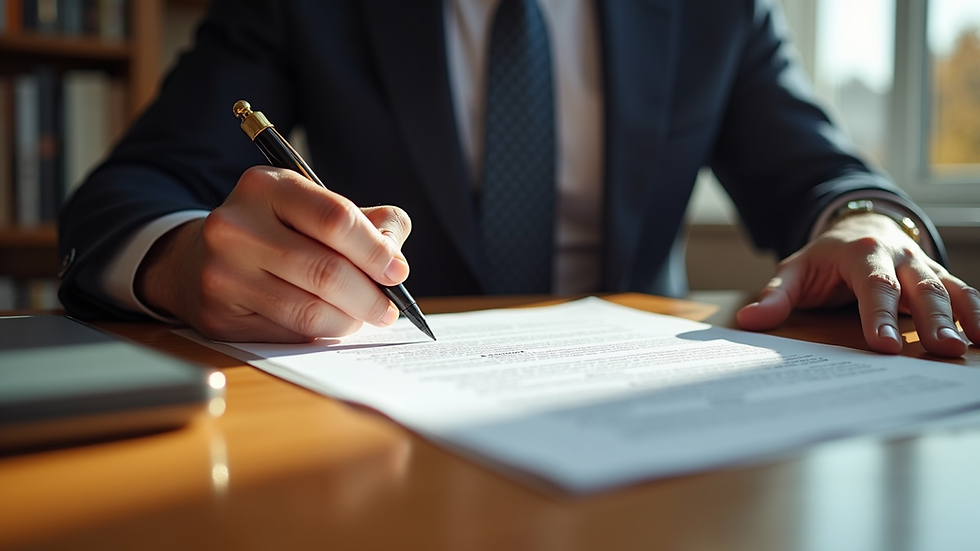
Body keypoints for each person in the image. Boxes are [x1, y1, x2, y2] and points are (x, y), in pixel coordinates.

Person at [58, 0, 979, 357]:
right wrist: (181, 260)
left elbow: (820, 172)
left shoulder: (714, 12)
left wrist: (869, 221)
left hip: (648, 440)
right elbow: (128, 191)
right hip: (370, 426)